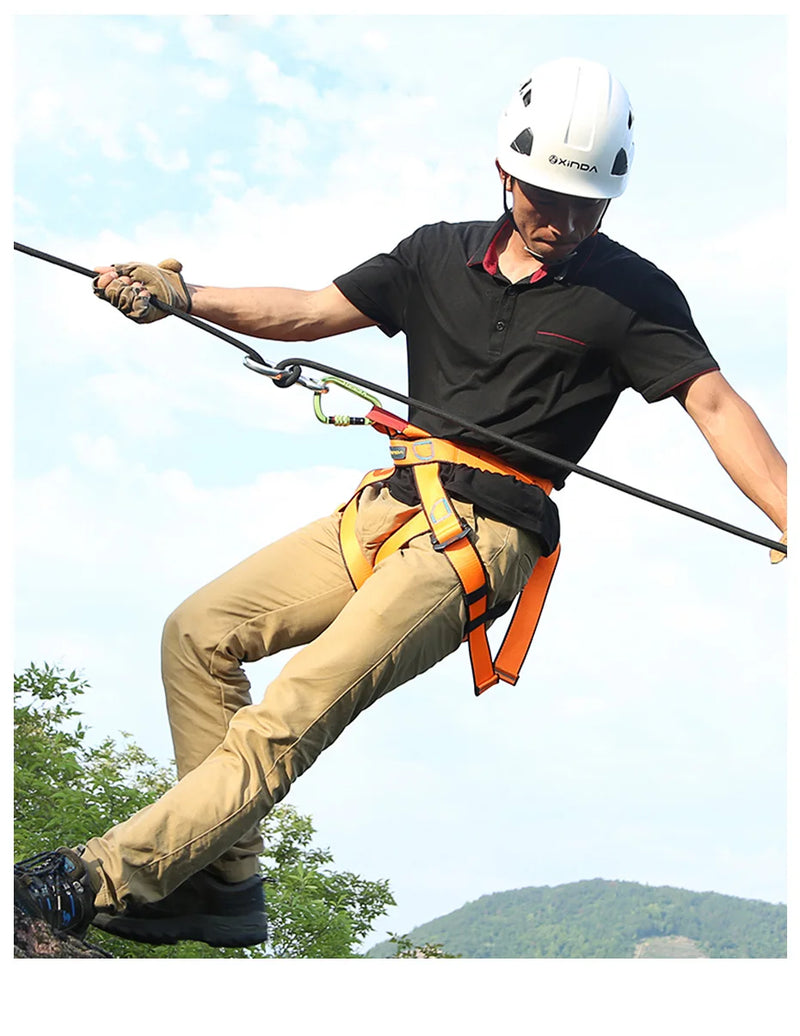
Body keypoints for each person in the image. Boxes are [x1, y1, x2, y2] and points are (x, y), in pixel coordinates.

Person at [14, 57, 786, 949]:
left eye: (590, 207)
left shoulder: (632, 295)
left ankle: (92, 880)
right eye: (548, 197)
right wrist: (184, 295)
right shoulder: (432, 254)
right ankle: (221, 884)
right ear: (506, 172)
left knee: (291, 711)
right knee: (197, 631)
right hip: (390, 505)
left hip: (486, 535)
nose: (567, 223)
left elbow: (716, 404)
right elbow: (308, 310)